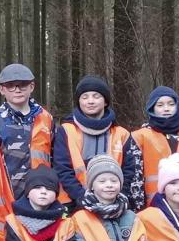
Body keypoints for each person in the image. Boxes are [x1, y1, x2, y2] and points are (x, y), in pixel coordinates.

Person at [0, 63, 54, 241]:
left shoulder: (46, 119)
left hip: (41, 198)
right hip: (5, 200)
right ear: (2, 89)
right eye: (11, 86)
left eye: (22, 85)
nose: (17, 90)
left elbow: (55, 158)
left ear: (32, 87)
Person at [52, 75, 143, 211]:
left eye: (96, 96)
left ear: (105, 101)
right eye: (85, 97)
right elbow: (62, 169)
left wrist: (118, 197)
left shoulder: (121, 134)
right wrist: (82, 196)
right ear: (79, 102)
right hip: (73, 203)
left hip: (113, 203)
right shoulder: (66, 130)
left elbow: (129, 171)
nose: (90, 101)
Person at [130, 86, 179, 205]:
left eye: (171, 104)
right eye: (160, 105)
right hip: (152, 209)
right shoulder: (139, 137)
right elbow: (135, 178)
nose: (166, 108)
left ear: (178, 107)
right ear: (152, 108)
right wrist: (137, 209)